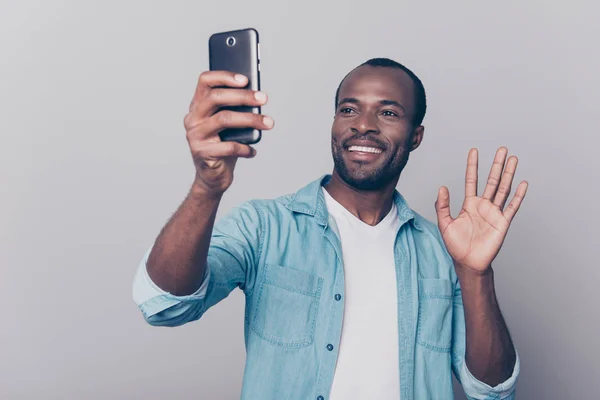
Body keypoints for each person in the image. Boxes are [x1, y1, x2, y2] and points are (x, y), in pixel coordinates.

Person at [132, 58, 527, 400]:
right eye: (349, 110)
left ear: (415, 136)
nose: (364, 126)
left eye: (388, 113)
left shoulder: (442, 253)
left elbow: (491, 389)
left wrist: (476, 275)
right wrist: (207, 186)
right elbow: (166, 304)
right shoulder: (265, 226)